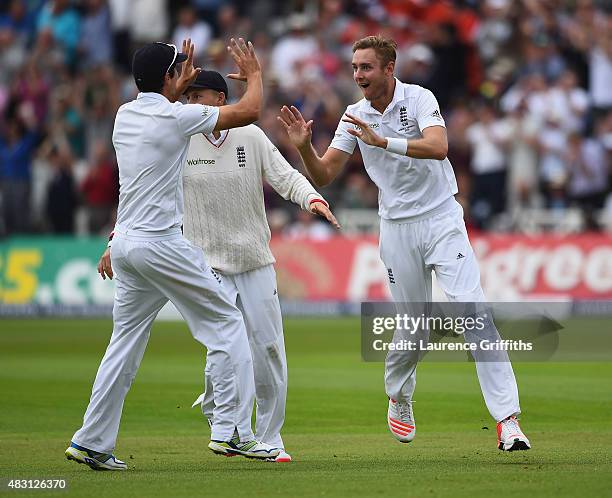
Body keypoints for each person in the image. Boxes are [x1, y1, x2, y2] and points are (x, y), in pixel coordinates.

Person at [278, 35, 530, 452]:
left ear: (388, 68)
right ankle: (399, 394)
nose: (358, 75)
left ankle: (508, 421)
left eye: (366, 67)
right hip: (397, 227)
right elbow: (323, 175)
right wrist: (305, 148)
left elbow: (439, 146)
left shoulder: (418, 98)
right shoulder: (353, 116)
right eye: (355, 67)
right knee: (415, 327)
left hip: (441, 217)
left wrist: (384, 142)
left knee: (474, 314)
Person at [98, 70, 340, 463]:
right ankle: (227, 427)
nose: (192, 103)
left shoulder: (250, 136)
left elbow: (284, 176)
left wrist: (311, 199)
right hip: (204, 260)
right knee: (224, 344)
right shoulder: (179, 135)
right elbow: (143, 191)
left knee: (269, 350)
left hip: (255, 258)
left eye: (200, 96)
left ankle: (270, 436)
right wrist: (115, 238)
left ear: (220, 99)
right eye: (188, 96)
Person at [66, 38, 281, 472]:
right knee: (226, 322)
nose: (186, 76)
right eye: (179, 70)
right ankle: (231, 432)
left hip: (125, 242)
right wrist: (256, 74)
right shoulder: (175, 116)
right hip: (161, 243)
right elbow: (248, 112)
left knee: (122, 345)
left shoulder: (125, 114)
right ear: (168, 78)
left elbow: (156, 126)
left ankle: (91, 440)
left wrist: (170, 81)